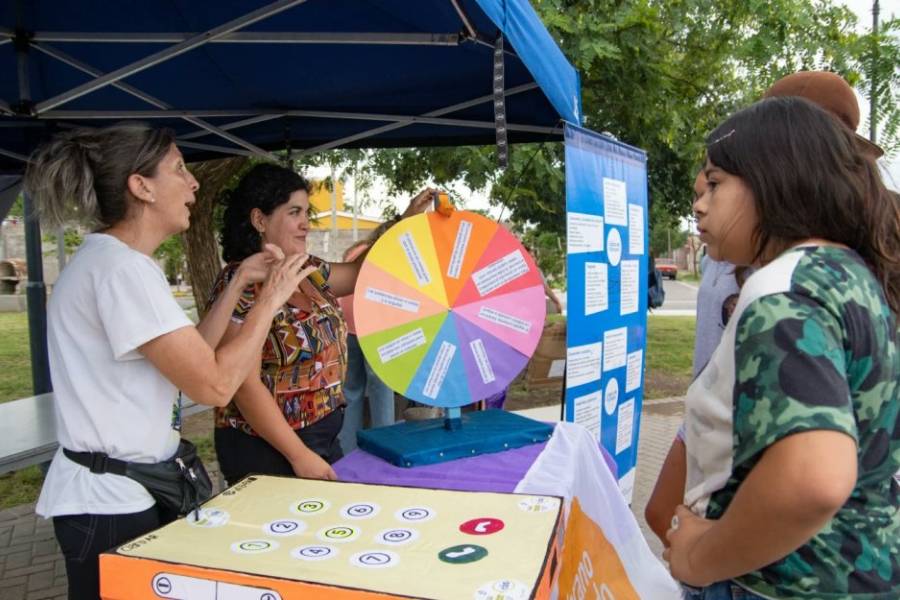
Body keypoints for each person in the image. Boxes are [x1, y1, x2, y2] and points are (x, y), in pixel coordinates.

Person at [24, 124, 315, 600]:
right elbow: (214, 386)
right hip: (110, 501)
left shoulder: (115, 262)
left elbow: (191, 358)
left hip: (123, 491)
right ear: (141, 187)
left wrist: (240, 281)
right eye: (179, 169)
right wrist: (270, 300)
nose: (194, 183)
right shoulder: (123, 270)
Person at [665, 97, 899, 599]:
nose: (699, 204)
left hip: (775, 583)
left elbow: (812, 479)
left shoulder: (781, 289)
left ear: (776, 179)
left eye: (715, 183)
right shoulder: (848, 274)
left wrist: (700, 558)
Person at [210, 163, 434, 485]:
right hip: (268, 449)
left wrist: (404, 223)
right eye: (294, 212)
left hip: (323, 439)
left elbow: (364, 271)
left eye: (306, 213)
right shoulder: (241, 282)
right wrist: (298, 455)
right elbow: (244, 385)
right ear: (259, 220)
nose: (305, 224)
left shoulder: (308, 270)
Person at [336, 239, 396, 454]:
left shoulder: (354, 252)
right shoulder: (383, 253)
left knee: (351, 390)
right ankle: (386, 446)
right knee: (382, 389)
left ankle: (347, 449)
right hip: (375, 328)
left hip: (348, 327)